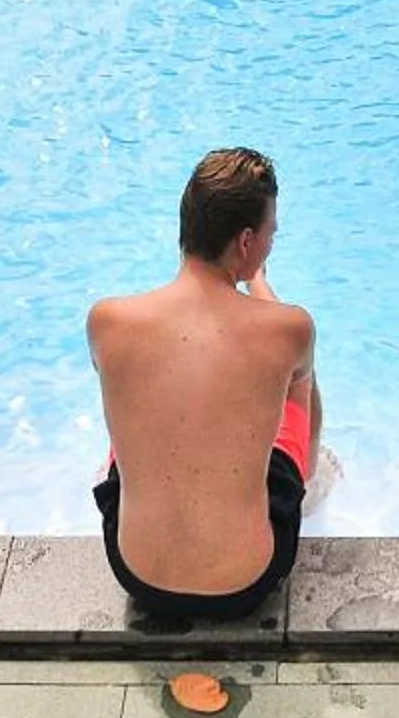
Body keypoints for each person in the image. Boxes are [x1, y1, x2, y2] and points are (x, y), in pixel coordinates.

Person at [87, 146, 321, 618]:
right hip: (246, 580)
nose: (272, 240)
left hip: (136, 571)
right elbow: (286, 365)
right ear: (247, 242)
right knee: (298, 384)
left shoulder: (108, 321)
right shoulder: (288, 329)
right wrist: (259, 286)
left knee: (141, 411)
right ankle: (309, 475)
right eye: (271, 231)